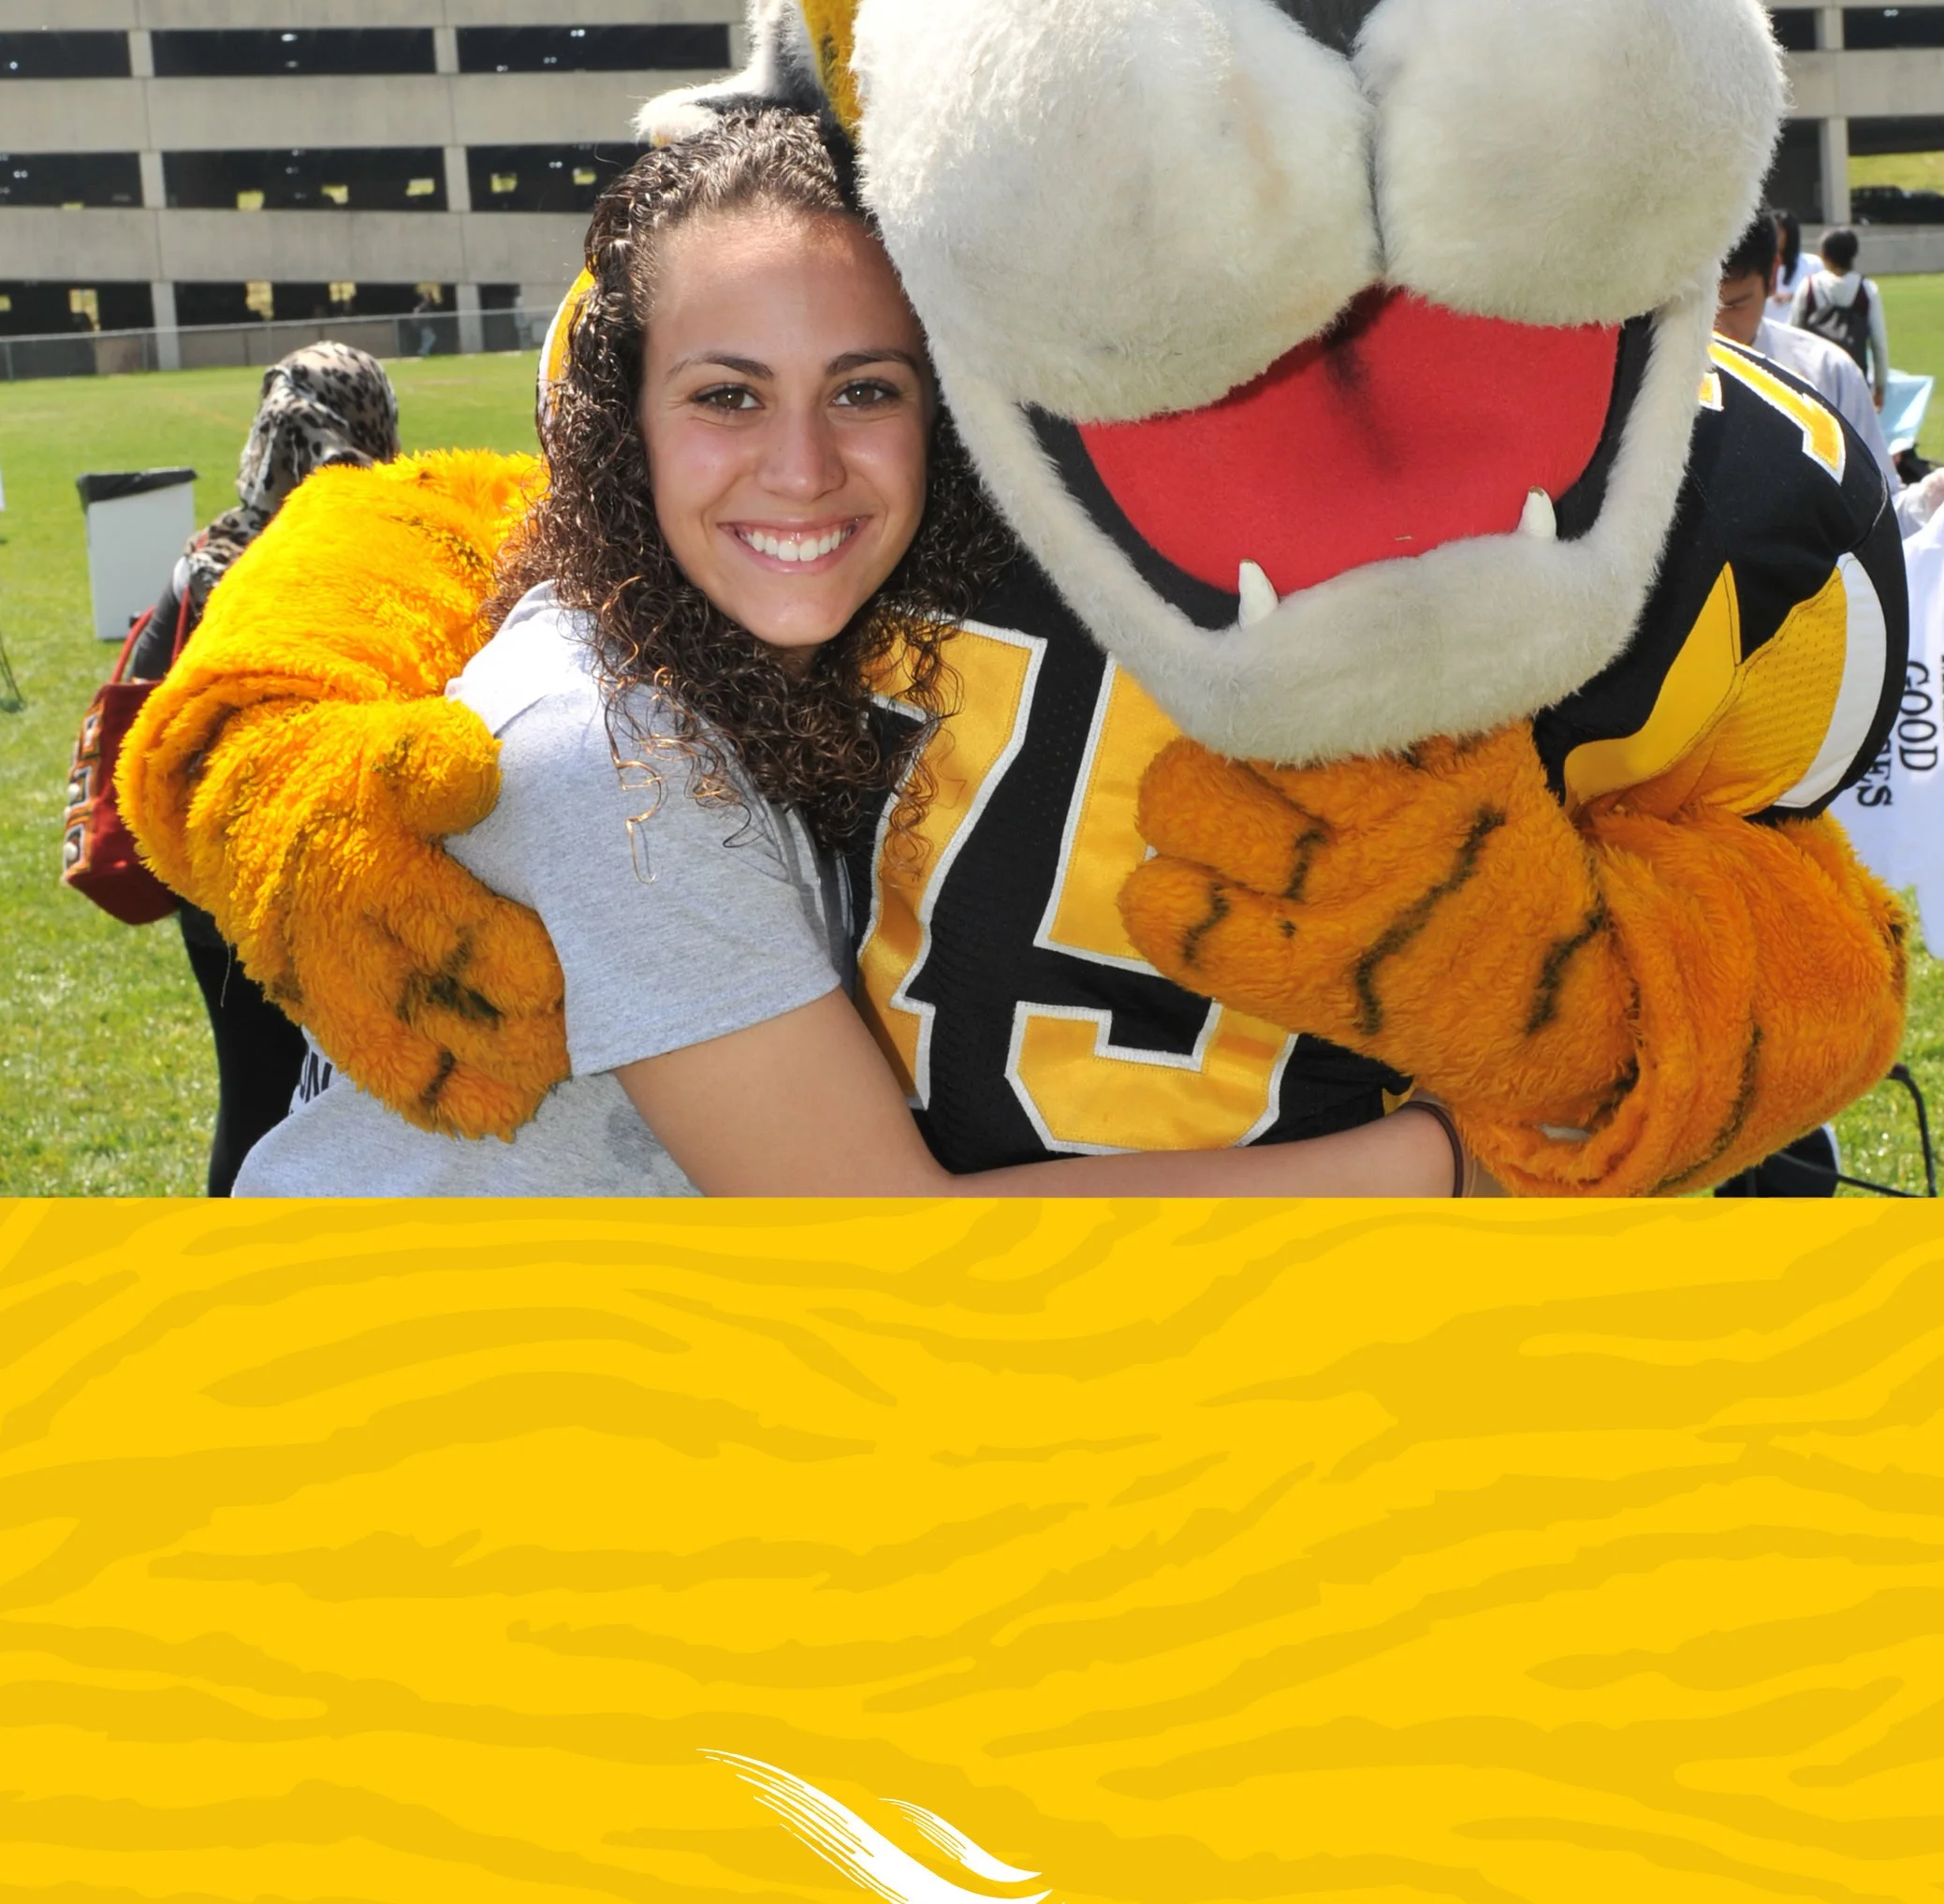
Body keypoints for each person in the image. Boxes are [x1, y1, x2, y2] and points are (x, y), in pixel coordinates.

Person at [236, 112, 1469, 1199]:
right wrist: (1446, 1161)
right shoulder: (612, 751)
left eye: (864, 390)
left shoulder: (775, 659)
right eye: (728, 395)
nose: (804, 465)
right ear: (626, 424)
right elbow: (879, 1228)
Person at [125, 342, 403, 1194]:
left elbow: (140, 693)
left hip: (204, 879)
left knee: (249, 1086)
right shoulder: (368, 553)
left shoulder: (210, 555)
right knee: (327, 1100)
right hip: (334, 878)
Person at [1715, 208, 1893, 481]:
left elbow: (1883, 497)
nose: (1715, 328)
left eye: (1735, 306)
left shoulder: (1830, 373)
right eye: (1691, 307)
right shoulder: (1641, 372)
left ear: (1772, 275)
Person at [1792, 227, 1891, 408]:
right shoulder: (1867, 289)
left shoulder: (1808, 287)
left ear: (1825, 254)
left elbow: (1792, 337)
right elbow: (1879, 344)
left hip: (1815, 382)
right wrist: (1880, 387)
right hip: (1856, 382)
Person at [1772, 211, 1821, 309]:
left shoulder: (1812, 263)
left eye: (1778, 231)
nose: (1773, 237)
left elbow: (1822, 296)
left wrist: (1794, 297)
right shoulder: (1757, 266)